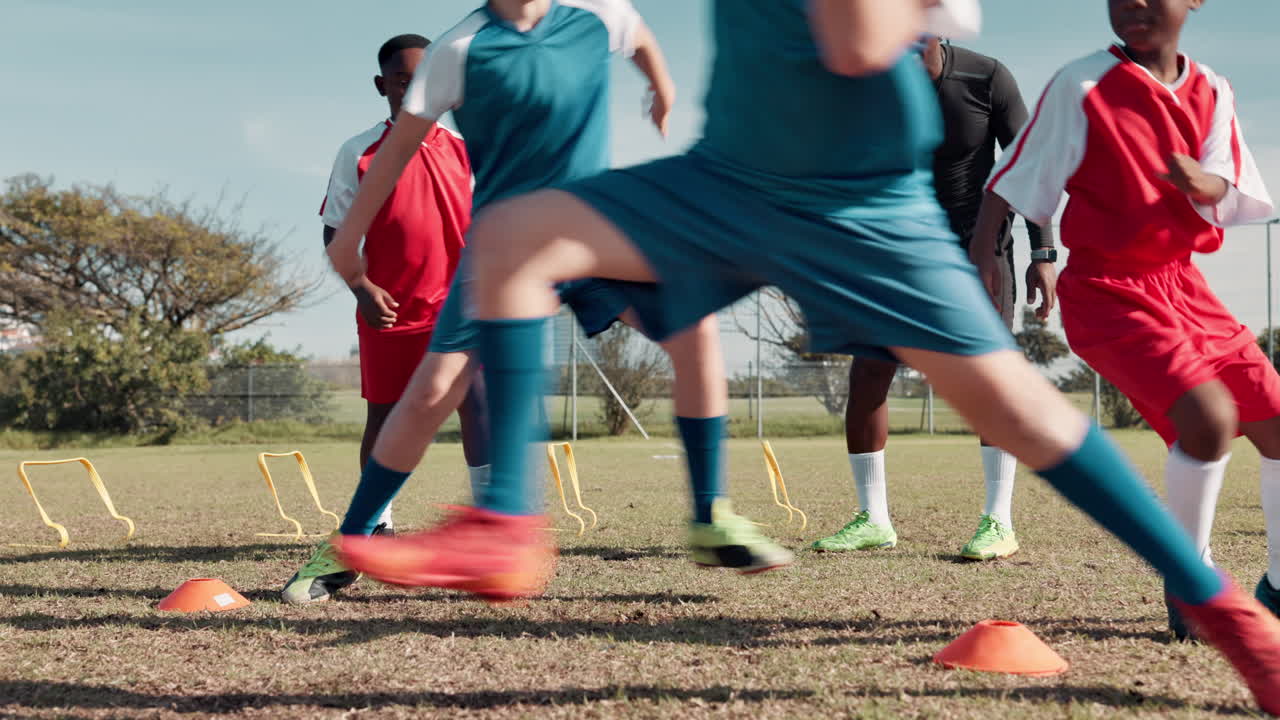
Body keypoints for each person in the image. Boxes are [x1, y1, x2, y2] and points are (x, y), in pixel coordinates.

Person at [336, 1, 1280, 711]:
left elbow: (863, 44)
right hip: (731, 176)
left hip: (857, 200)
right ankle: (508, 521)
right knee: (510, 233)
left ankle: (1227, 614)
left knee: (1017, 412)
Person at [322, 0, 793, 592]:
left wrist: (661, 84)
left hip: (593, 232)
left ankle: (709, 515)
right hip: (508, 248)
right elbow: (396, 152)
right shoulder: (458, 51)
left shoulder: (597, 13)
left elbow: (640, 36)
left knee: (693, 327)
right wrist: (349, 241)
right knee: (433, 391)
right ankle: (352, 543)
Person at [973, 0, 1277, 639]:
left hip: (1184, 286)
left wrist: (1206, 185)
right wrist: (985, 257)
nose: (1134, 2)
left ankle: (1277, 590)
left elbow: (1230, 186)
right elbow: (1015, 179)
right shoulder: (1083, 85)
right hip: (1107, 290)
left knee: (1275, 418)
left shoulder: (1212, 88)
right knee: (1207, 420)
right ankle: (1192, 585)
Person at [812, 36, 1051, 560]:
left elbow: (1028, 165)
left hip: (977, 251)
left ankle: (999, 521)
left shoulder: (986, 77)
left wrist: (1044, 252)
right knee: (869, 373)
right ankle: (873, 520)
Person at [282, 34, 487, 604]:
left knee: (479, 405)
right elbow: (335, 233)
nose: (415, 90)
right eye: (402, 80)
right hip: (390, 310)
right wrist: (361, 288)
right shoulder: (359, 152)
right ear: (382, 86)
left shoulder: (467, 149)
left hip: (461, 310)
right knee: (386, 418)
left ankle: (486, 531)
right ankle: (376, 528)